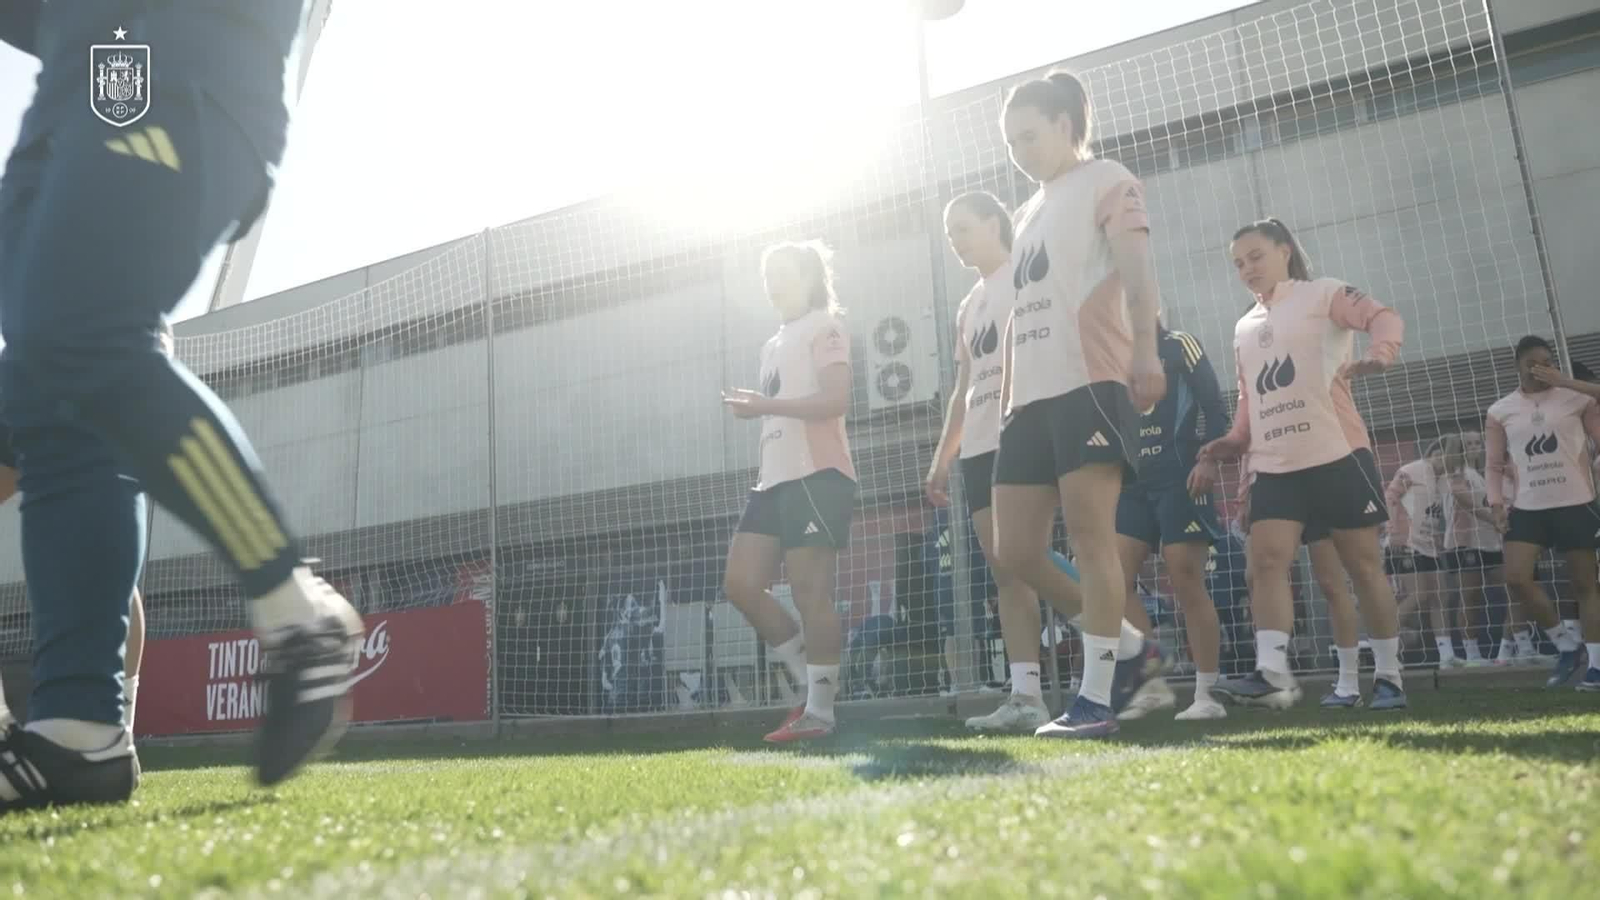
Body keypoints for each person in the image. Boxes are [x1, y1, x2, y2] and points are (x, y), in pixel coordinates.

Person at [0, 2, 362, 809]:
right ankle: (77, 727)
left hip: (178, 52)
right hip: (73, 86)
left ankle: (297, 611)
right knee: (46, 398)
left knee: (81, 341)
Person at [990, 70, 1170, 739]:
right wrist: (1007, 396)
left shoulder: (1108, 179)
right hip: (1029, 399)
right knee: (1017, 549)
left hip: (1090, 382)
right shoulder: (1025, 213)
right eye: (1009, 141)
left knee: (1093, 542)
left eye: (1029, 135)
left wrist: (1145, 351)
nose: (1019, 150)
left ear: (1066, 123)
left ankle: (1097, 698)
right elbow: (1020, 310)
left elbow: (1137, 271)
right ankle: (1130, 649)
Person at [1197, 218, 1408, 711]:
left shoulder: (1324, 293)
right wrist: (1229, 443)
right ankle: (1270, 671)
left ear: (1285, 251)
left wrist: (1381, 354)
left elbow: (1384, 317)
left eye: (1255, 256)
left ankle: (1391, 678)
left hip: (1337, 454)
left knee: (1362, 568)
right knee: (1266, 561)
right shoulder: (1243, 327)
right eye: (1237, 263)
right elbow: (1250, 402)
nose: (1246, 268)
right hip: (1274, 467)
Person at [925, 191, 1086, 733]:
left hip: (1024, 432)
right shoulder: (968, 304)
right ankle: (1026, 697)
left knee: (1027, 556)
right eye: (948, 232)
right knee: (1005, 570)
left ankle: (1124, 646)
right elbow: (964, 387)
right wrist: (942, 457)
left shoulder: (1028, 273)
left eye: (962, 227)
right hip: (977, 447)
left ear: (995, 223)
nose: (954, 239)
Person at [721, 241, 859, 741]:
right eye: (766, 273)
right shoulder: (771, 343)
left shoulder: (826, 326)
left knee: (810, 593)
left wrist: (765, 407)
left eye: (781, 271)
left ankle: (821, 714)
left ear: (808, 275)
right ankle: (811, 685)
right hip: (772, 480)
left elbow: (835, 399)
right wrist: (762, 408)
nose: (771, 281)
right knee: (740, 583)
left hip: (817, 474)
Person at [1115, 322, 1231, 721]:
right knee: (1114, 581)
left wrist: (1209, 458)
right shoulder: (1109, 353)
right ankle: (1150, 687)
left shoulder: (1180, 345)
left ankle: (1207, 693)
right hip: (1130, 484)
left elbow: (1214, 405)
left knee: (1185, 579)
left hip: (1180, 477)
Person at [1485, 336, 1600, 690]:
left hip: (1575, 501)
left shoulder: (1577, 398)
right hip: (1529, 505)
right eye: (1533, 363)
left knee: (1585, 585)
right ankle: (1566, 646)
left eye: (1547, 362)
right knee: (1517, 577)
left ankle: (1596, 667)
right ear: (1518, 365)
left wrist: (1564, 380)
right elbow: (1492, 464)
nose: (1541, 369)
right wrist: (1496, 504)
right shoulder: (1500, 410)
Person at [1384, 442, 1465, 664]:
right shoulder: (1412, 470)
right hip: (1406, 542)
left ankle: (1447, 656)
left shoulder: (1446, 480)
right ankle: (1384, 649)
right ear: (1429, 455)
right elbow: (1390, 497)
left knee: (1440, 597)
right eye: (1436, 455)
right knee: (1418, 595)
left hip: (1431, 546)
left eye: (1445, 456)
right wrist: (1393, 532)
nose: (1439, 460)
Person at [1438, 431, 1504, 667]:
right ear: (1460, 448)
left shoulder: (1480, 474)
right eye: (1469, 444)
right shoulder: (1456, 472)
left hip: (1490, 542)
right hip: (1464, 543)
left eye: (1478, 442)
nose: (1475, 447)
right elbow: (1464, 499)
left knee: (1513, 586)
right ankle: (1472, 655)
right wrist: (1494, 517)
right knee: (1470, 597)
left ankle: (1509, 649)